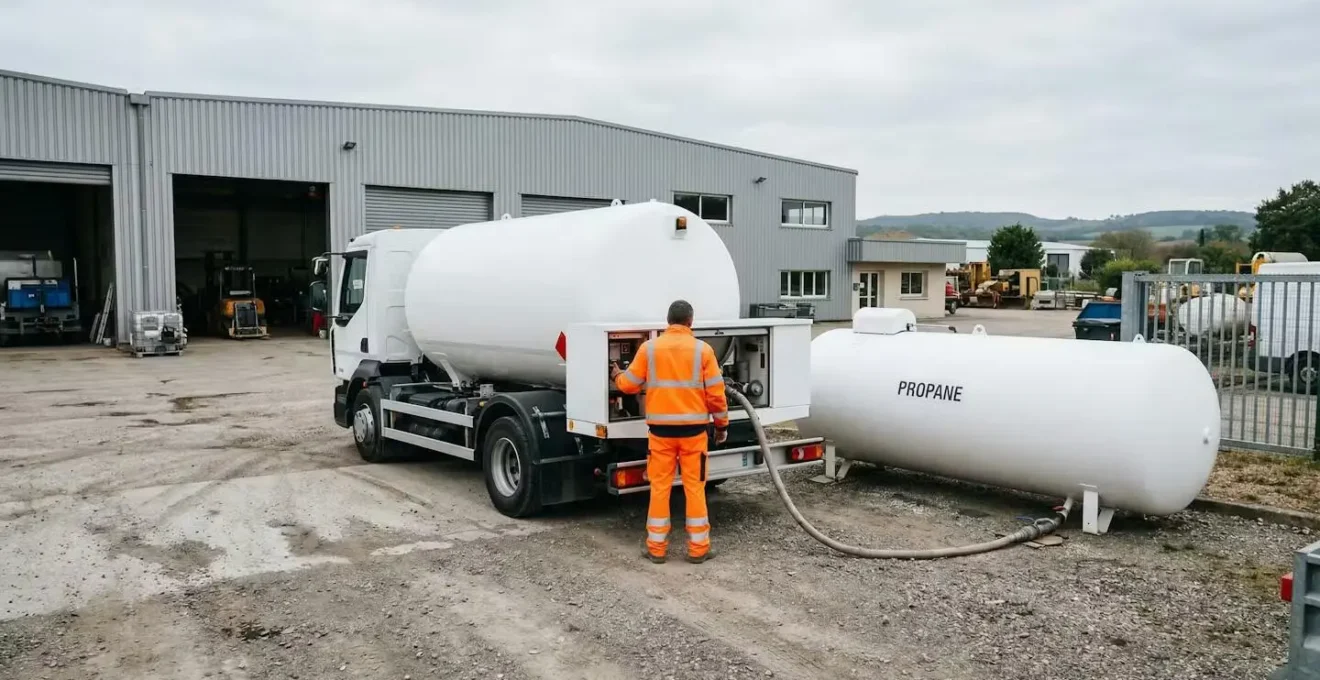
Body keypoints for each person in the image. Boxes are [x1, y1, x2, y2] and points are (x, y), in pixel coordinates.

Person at [611, 299, 729, 564]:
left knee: (660, 488)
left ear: (668, 321)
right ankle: (698, 551)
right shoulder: (703, 351)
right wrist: (721, 427)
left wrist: (616, 375)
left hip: (661, 436)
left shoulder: (649, 349)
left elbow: (629, 386)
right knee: (695, 489)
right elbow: (716, 396)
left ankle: (656, 549)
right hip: (694, 436)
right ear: (690, 321)